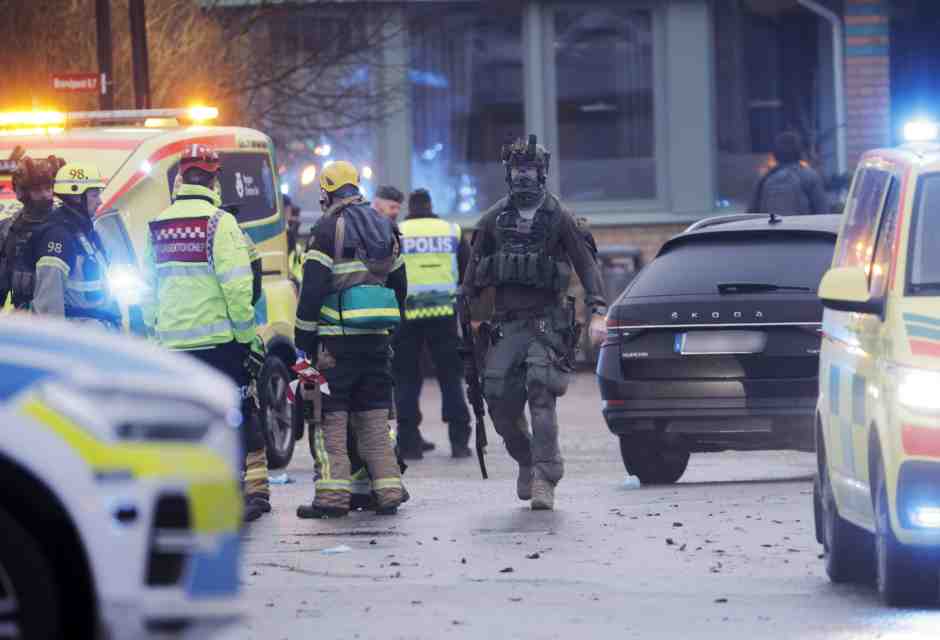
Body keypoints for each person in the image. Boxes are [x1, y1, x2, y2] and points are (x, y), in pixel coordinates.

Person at [462, 135, 607, 511]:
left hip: (546, 322)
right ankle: (526, 460)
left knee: (541, 394)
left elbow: (587, 266)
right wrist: (467, 317)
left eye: (530, 170)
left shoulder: (560, 217)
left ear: (542, 174)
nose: (523, 177)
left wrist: (599, 310)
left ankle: (545, 475)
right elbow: (471, 278)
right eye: (517, 170)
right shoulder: (494, 219)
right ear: (508, 174)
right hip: (506, 324)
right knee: (497, 400)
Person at [141, 144, 271, 523]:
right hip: (220, 345)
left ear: (181, 180)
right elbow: (235, 287)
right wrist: (248, 337)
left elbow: (148, 291)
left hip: (173, 346)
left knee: (187, 423)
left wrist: (155, 333)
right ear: (214, 180)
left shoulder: (159, 225)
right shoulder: (219, 223)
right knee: (237, 415)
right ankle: (236, 495)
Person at [295, 160, 406, 519]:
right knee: (374, 419)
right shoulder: (385, 226)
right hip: (375, 340)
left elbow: (311, 291)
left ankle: (331, 498)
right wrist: (389, 331)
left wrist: (304, 342)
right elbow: (400, 287)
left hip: (334, 345)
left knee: (329, 421)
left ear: (326, 192)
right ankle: (388, 490)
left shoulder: (327, 229)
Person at [394, 188, 473, 460]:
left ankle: (409, 444)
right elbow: (468, 271)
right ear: (430, 206)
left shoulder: (398, 231)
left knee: (406, 378)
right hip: (444, 312)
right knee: (451, 377)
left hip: (407, 314)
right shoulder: (451, 230)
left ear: (410, 209)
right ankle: (459, 441)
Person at [0, 155, 66, 311]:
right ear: (22, 193)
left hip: (64, 321)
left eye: (48, 189)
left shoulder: (67, 226)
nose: (45, 195)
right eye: (37, 190)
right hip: (26, 322)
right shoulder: (7, 231)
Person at [748, 130, 829, 215]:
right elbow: (822, 212)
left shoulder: (764, 179)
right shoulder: (810, 176)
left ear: (775, 154)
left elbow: (751, 215)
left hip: (771, 227)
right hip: (801, 227)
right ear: (799, 152)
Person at [284, 194, 304, 282]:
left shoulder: (290, 230)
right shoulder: (285, 233)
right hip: (290, 278)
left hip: (294, 278)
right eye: (289, 209)